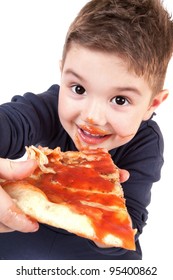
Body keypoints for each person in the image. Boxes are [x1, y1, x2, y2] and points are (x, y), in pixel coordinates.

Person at [0, 0, 173, 260]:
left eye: (120, 100)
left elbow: (127, 229)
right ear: (62, 74)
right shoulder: (47, 108)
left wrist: (102, 206)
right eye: (78, 89)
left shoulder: (145, 143)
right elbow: (9, 123)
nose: (92, 116)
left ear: (152, 104)